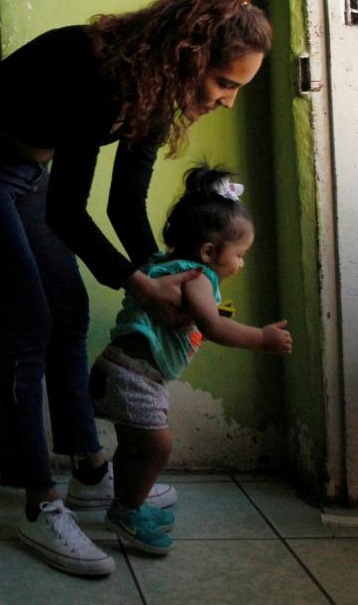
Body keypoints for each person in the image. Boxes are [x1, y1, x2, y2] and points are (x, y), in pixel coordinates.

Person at [0, 0, 272, 576]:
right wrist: (139, 284)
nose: (227, 101)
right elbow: (69, 212)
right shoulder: (101, 73)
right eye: (225, 83)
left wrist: (173, 277)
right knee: (28, 321)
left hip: (27, 173)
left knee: (69, 309)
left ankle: (89, 471)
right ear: (190, 57)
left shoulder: (156, 95)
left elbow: (124, 209)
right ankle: (38, 503)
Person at [91, 163, 293, 556]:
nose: (242, 264)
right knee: (156, 446)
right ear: (209, 251)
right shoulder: (197, 277)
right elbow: (214, 327)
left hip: (124, 371)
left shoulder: (165, 266)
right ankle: (126, 512)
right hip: (133, 376)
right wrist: (261, 338)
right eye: (240, 255)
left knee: (137, 446)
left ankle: (128, 502)